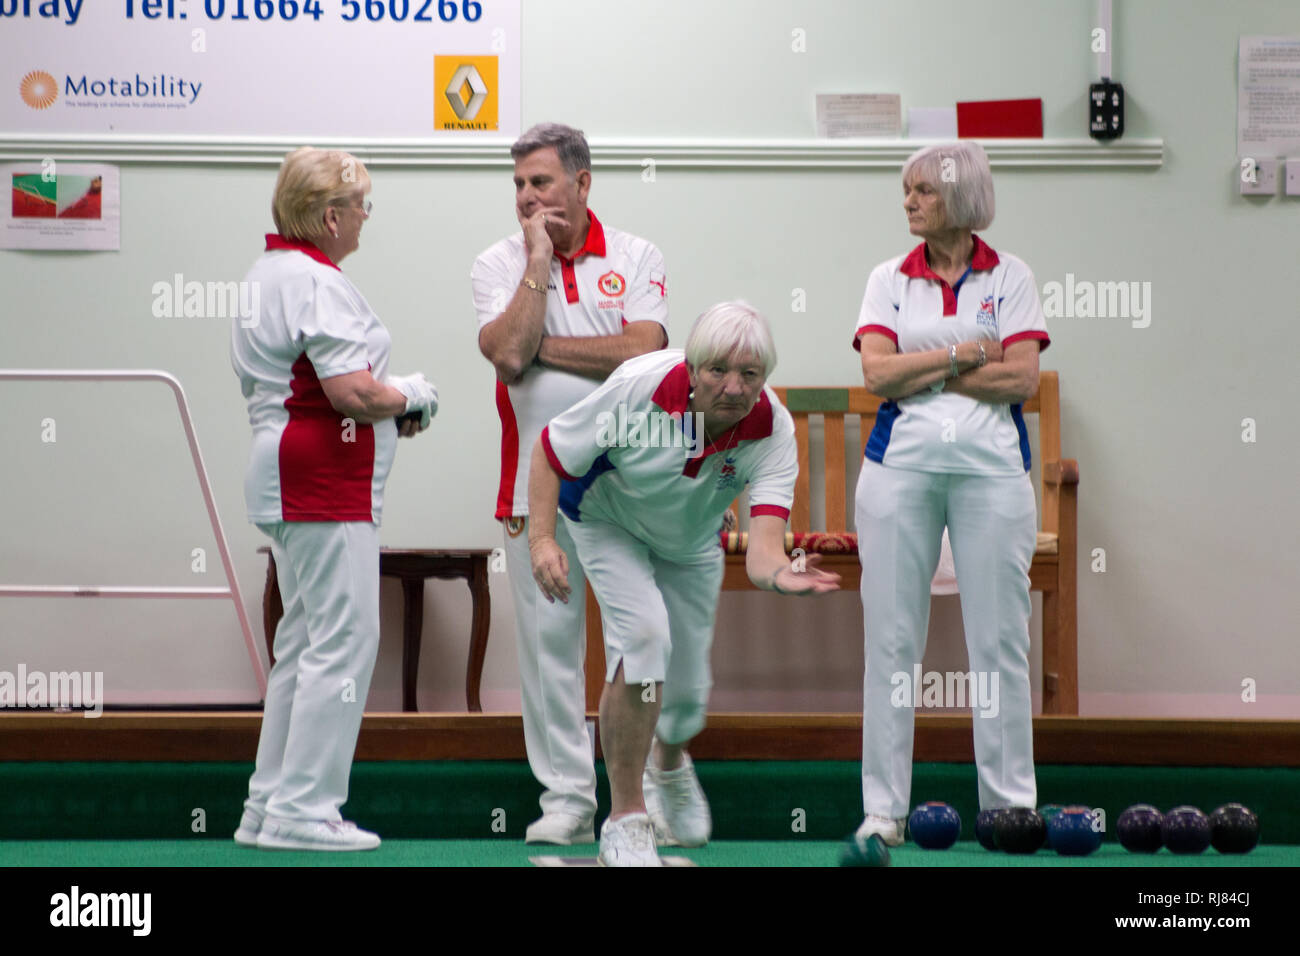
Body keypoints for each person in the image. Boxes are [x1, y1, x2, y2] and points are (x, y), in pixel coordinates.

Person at [530, 302, 841, 866]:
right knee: (646, 642)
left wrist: (783, 573)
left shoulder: (772, 428)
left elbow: (764, 550)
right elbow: (550, 452)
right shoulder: (639, 388)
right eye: (718, 370)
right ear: (693, 368)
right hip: (607, 519)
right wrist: (542, 542)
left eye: (750, 375)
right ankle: (624, 822)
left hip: (692, 539)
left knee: (689, 690)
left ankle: (668, 763)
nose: (733, 387)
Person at [230, 147, 439, 851]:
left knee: (304, 641)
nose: (365, 220)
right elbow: (352, 392)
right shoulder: (315, 280)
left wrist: (390, 397)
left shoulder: (267, 273)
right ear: (329, 215)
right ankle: (305, 809)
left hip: (290, 473)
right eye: (361, 207)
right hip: (321, 479)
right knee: (344, 640)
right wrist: (412, 392)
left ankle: (269, 803)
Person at [471, 123, 669, 846]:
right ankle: (566, 799)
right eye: (519, 184)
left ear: (582, 184)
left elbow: (644, 352)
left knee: (637, 640)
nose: (526, 196)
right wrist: (537, 264)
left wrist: (540, 352)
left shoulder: (637, 255)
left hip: (628, 494)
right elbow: (508, 352)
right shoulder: (497, 262)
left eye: (541, 182)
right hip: (533, 490)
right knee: (550, 648)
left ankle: (634, 796)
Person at [850, 141, 1049, 852]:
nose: (907, 202)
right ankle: (883, 811)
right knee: (892, 641)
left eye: (922, 191)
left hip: (993, 473)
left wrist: (921, 369)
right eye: (906, 191)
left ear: (959, 197)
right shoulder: (887, 279)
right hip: (897, 473)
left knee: (998, 640)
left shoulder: (1012, 276)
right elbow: (877, 374)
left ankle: (1008, 807)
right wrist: (966, 354)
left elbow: (1021, 379)